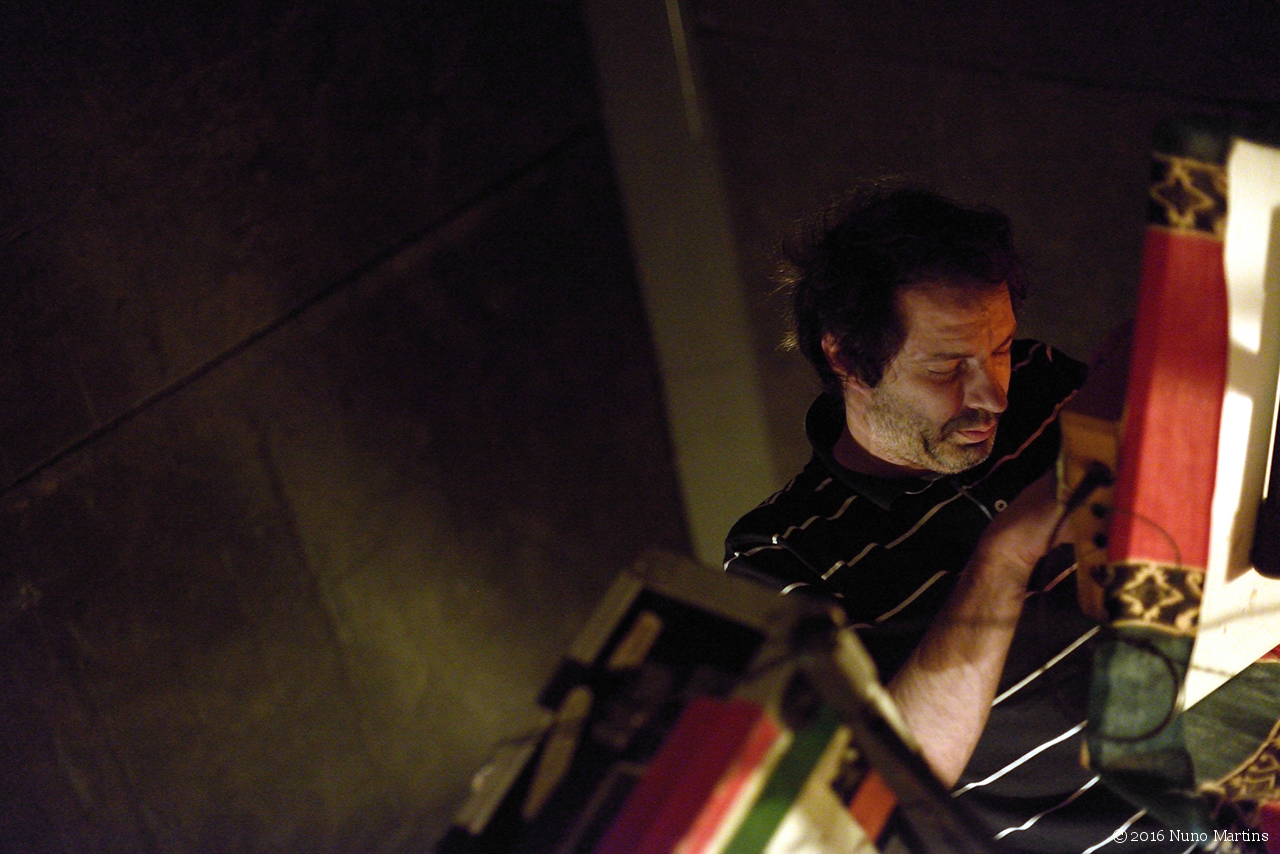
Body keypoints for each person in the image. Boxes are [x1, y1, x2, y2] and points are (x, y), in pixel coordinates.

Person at [724, 186, 1186, 852]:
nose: (992, 394)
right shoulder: (777, 550)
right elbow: (888, 786)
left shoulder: (1037, 377)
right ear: (846, 358)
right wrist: (1005, 555)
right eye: (947, 366)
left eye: (998, 347)